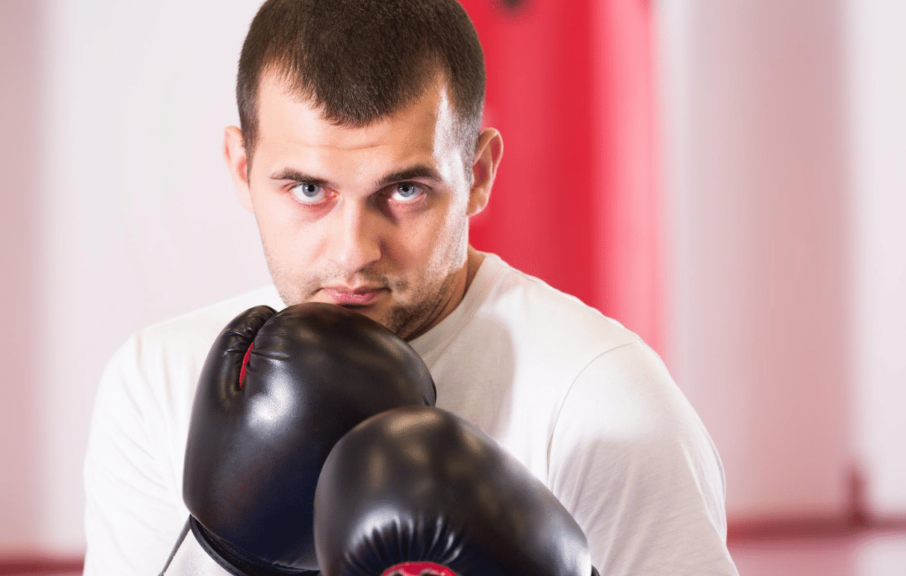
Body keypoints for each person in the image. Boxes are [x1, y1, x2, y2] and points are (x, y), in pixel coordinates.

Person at [83, 1, 739, 575]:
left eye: (403, 191)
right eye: (308, 189)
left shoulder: (602, 403)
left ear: (477, 174)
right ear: (241, 167)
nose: (354, 251)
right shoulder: (158, 383)